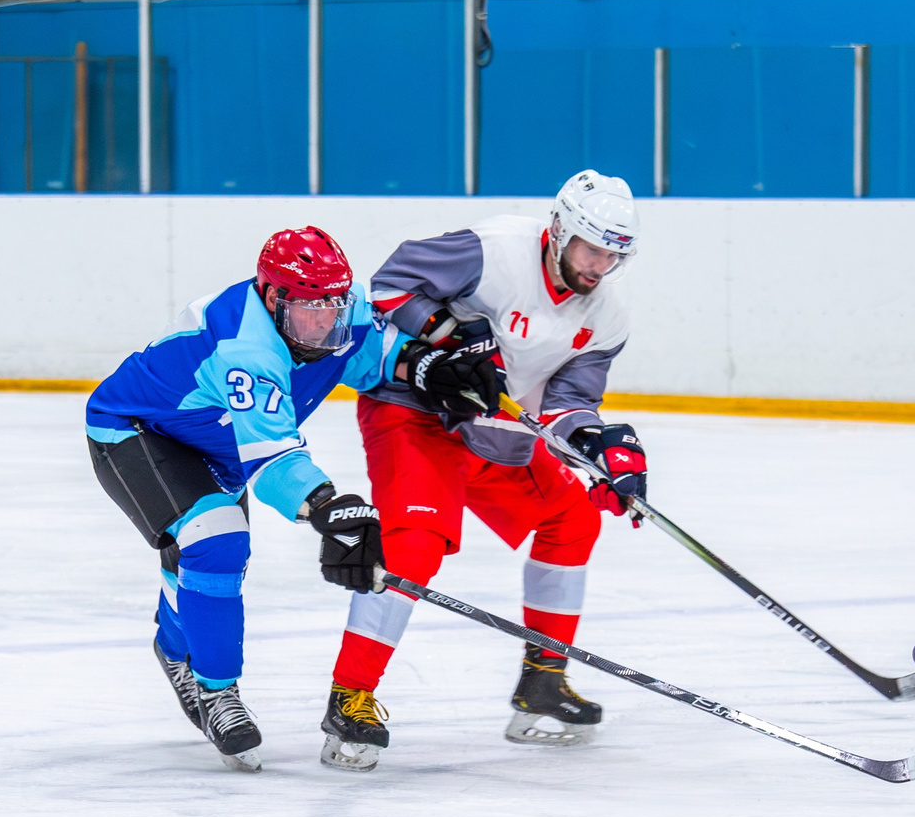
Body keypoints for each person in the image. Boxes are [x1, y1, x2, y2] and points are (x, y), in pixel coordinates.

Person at [84, 228, 498, 771]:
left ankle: (173, 644)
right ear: (273, 297)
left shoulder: (338, 314)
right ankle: (217, 693)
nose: (326, 321)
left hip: (220, 443)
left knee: (196, 559)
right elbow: (276, 462)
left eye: (333, 304)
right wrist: (330, 506)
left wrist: (427, 366)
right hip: (139, 431)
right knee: (218, 544)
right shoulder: (245, 350)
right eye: (309, 308)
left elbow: (376, 356)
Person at [320, 170, 648, 771]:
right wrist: (450, 334)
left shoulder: (607, 315)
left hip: (499, 432)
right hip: (415, 410)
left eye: (613, 255)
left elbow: (568, 404)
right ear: (560, 230)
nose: (599, 266)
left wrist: (604, 451)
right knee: (413, 548)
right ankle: (351, 696)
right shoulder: (492, 250)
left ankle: (542, 682)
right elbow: (389, 285)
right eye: (592, 248)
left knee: (574, 522)